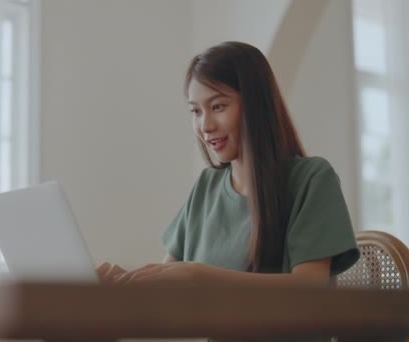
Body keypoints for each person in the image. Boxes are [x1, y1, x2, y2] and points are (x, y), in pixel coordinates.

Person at [97, 41, 359, 293]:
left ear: (255, 105)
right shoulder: (206, 186)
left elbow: (309, 287)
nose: (205, 126)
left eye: (218, 106)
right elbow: (168, 281)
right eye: (196, 112)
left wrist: (198, 275)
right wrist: (124, 285)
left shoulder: (311, 179)